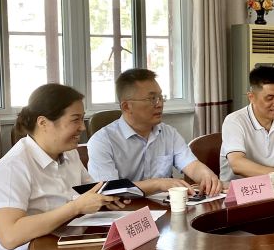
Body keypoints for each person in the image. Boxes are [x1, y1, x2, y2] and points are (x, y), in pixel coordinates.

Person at [0, 84, 127, 250]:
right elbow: (9, 235)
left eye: (82, 119)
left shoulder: (69, 154)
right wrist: (76, 207)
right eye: (75, 120)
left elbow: (90, 190)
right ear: (44, 123)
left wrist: (111, 196)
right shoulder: (14, 167)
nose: (82, 127)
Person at [88, 69, 223, 196]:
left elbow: (192, 166)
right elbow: (108, 189)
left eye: (161, 97)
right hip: (125, 210)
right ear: (126, 106)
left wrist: (206, 175)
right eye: (152, 99)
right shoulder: (102, 141)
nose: (160, 104)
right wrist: (157, 184)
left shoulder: (168, 133)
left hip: (164, 207)